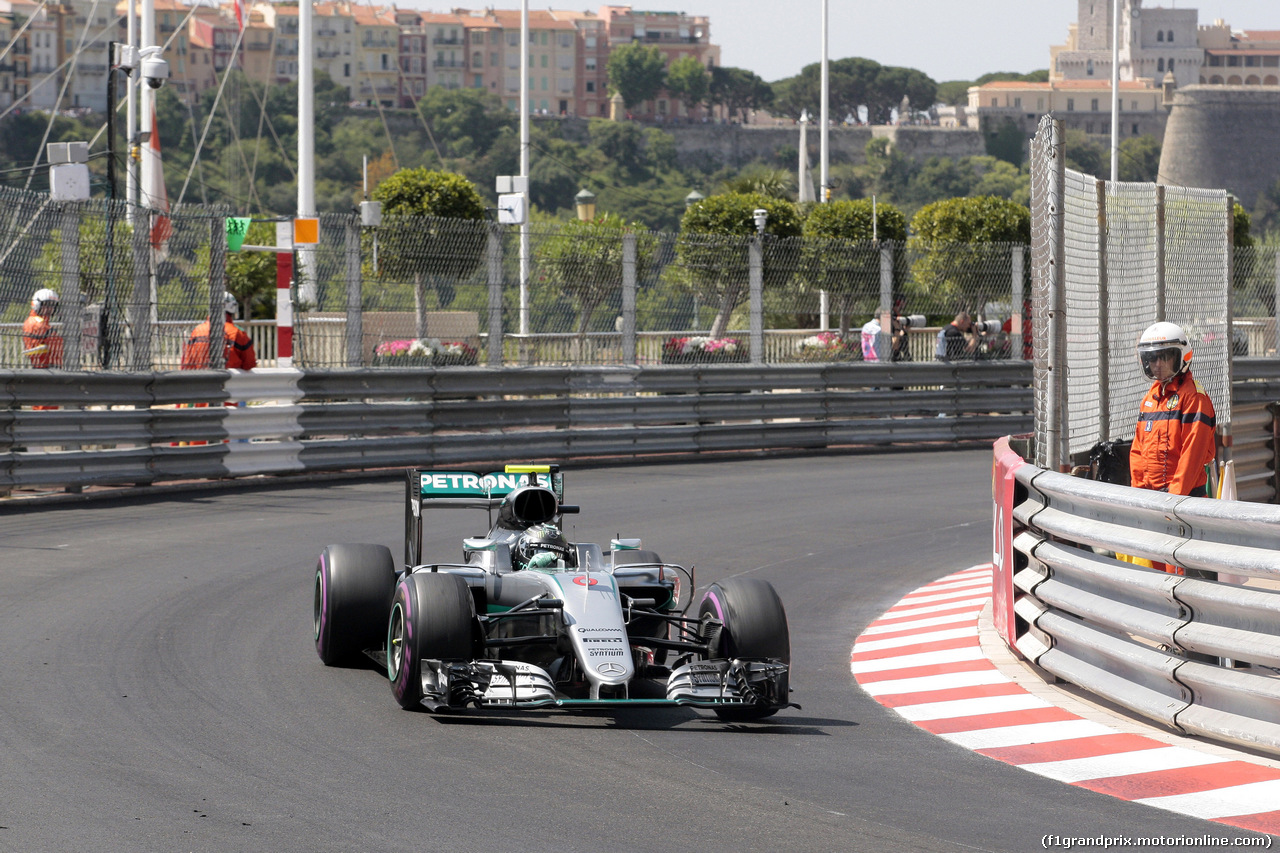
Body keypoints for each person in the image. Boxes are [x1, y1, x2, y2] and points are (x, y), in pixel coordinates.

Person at [1129, 321, 1217, 574]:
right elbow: (1138, 451)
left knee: (1182, 578)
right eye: (1152, 358)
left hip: (1184, 505)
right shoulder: (1150, 399)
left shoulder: (1194, 398)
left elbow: (1193, 454)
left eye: (1164, 358)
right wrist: (1139, 498)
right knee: (1157, 576)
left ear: (1180, 358)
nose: (1157, 364)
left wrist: (1173, 501)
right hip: (1155, 505)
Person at [181, 292, 256, 370]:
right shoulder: (238, 333)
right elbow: (250, 363)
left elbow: (188, 362)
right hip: (229, 380)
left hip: (201, 378)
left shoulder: (197, 331)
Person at [22, 288, 64, 368]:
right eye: (46, 305)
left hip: (51, 365)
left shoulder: (43, 323)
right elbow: (55, 343)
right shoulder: (35, 322)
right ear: (37, 304)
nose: (50, 309)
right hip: (45, 366)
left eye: (52, 305)